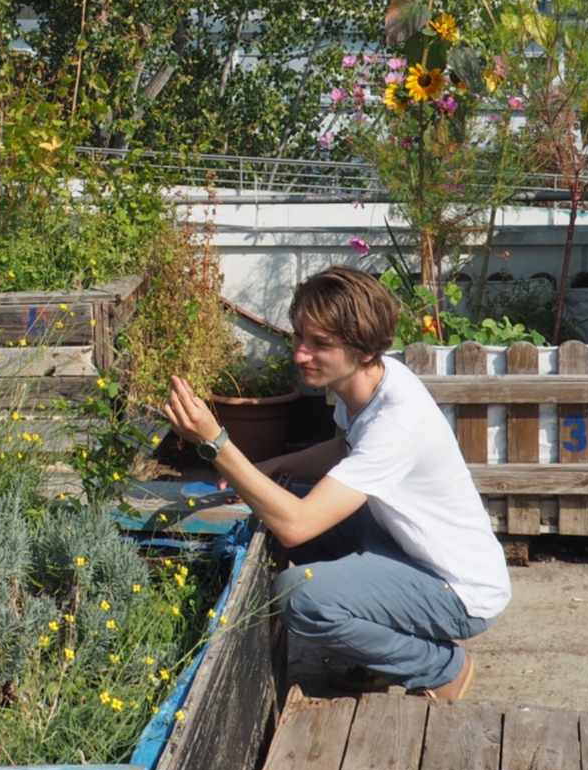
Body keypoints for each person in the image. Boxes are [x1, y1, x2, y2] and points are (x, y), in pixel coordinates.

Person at [160, 266, 510, 698]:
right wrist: (267, 469)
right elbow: (342, 450)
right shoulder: (368, 385)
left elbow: (297, 525)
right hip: (408, 549)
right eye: (299, 337)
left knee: (298, 596)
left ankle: (440, 668)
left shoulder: (396, 423)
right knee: (278, 499)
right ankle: (383, 651)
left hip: (459, 590)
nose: (300, 354)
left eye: (320, 345)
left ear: (364, 350)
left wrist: (216, 442)